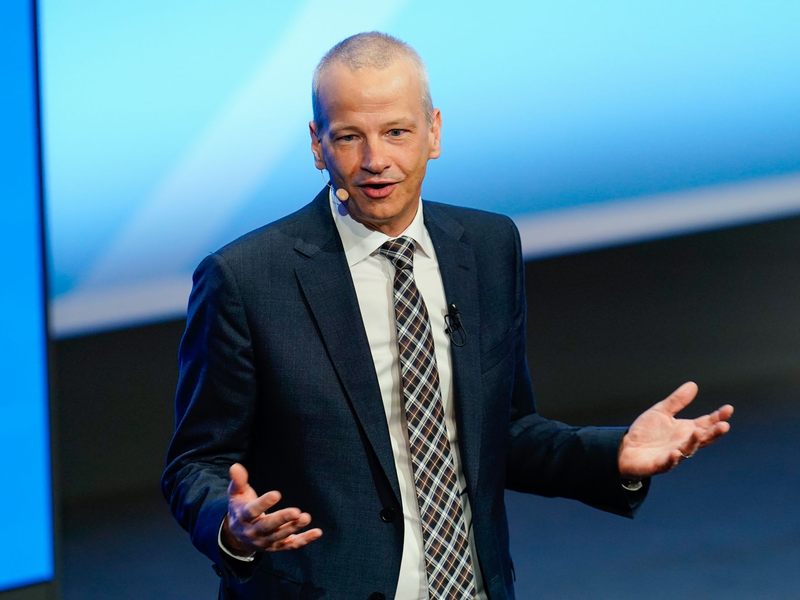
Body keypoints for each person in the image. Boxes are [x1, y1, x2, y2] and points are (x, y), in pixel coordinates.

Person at [162, 32, 733, 600]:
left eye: (396, 132)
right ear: (317, 145)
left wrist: (616, 455)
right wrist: (231, 529)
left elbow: (504, 433)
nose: (375, 160)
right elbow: (197, 462)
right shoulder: (245, 279)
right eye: (349, 137)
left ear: (433, 132)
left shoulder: (486, 246)